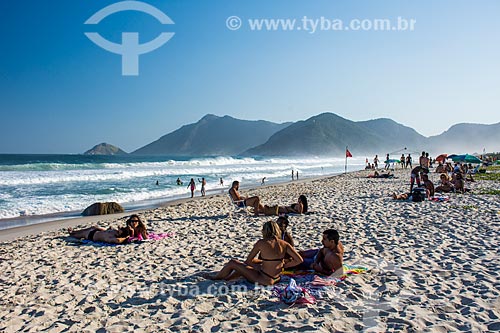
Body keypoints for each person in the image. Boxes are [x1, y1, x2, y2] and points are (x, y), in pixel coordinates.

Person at [204, 221, 303, 285]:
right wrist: (285, 265)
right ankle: (228, 278)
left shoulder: (261, 243)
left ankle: (216, 278)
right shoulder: (284, 244)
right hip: (277, 278)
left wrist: (257, 266)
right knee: (249, 266)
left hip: (264, 279)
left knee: (233, 263)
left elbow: (248, 260)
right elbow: (299, 260)